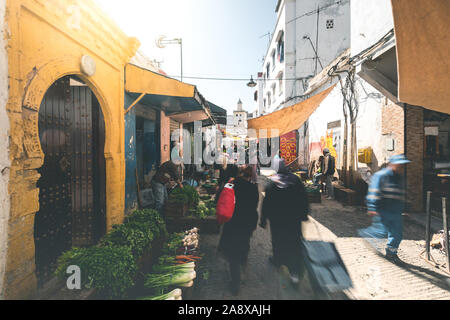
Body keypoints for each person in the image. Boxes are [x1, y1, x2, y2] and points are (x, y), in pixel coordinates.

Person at [260, 157, 309, 283]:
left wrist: (263, 220)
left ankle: (278, 260)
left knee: (278, 241)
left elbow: (266, 203)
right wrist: (304, 214)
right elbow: (303, 198)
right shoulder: (295, 180)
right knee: (294, 243)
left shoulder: (272, 183)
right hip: (293, 220)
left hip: (278, 221)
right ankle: (294, 273)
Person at [357, 154, 410, 261]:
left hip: (396, 210)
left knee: (397, 233)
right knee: (381, 231)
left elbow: (401, 193)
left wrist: (406, 207)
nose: (401, 167)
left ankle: (391, 252)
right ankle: (368, 235)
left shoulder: (399, 177)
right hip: (383, 209)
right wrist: (372, 207)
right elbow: (374, 192)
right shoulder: (381, 176)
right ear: (392, 164)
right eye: (399, 165)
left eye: (402, 165)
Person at [217, 166, 259, 295]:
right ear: (250, 176)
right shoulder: (253, 188)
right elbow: (254, 205)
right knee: (243, 245)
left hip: (233, 222)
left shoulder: (231, 185)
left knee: (233, 252)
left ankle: (235, 284)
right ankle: (243, 264)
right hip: (247, 223)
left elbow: (219, 199)